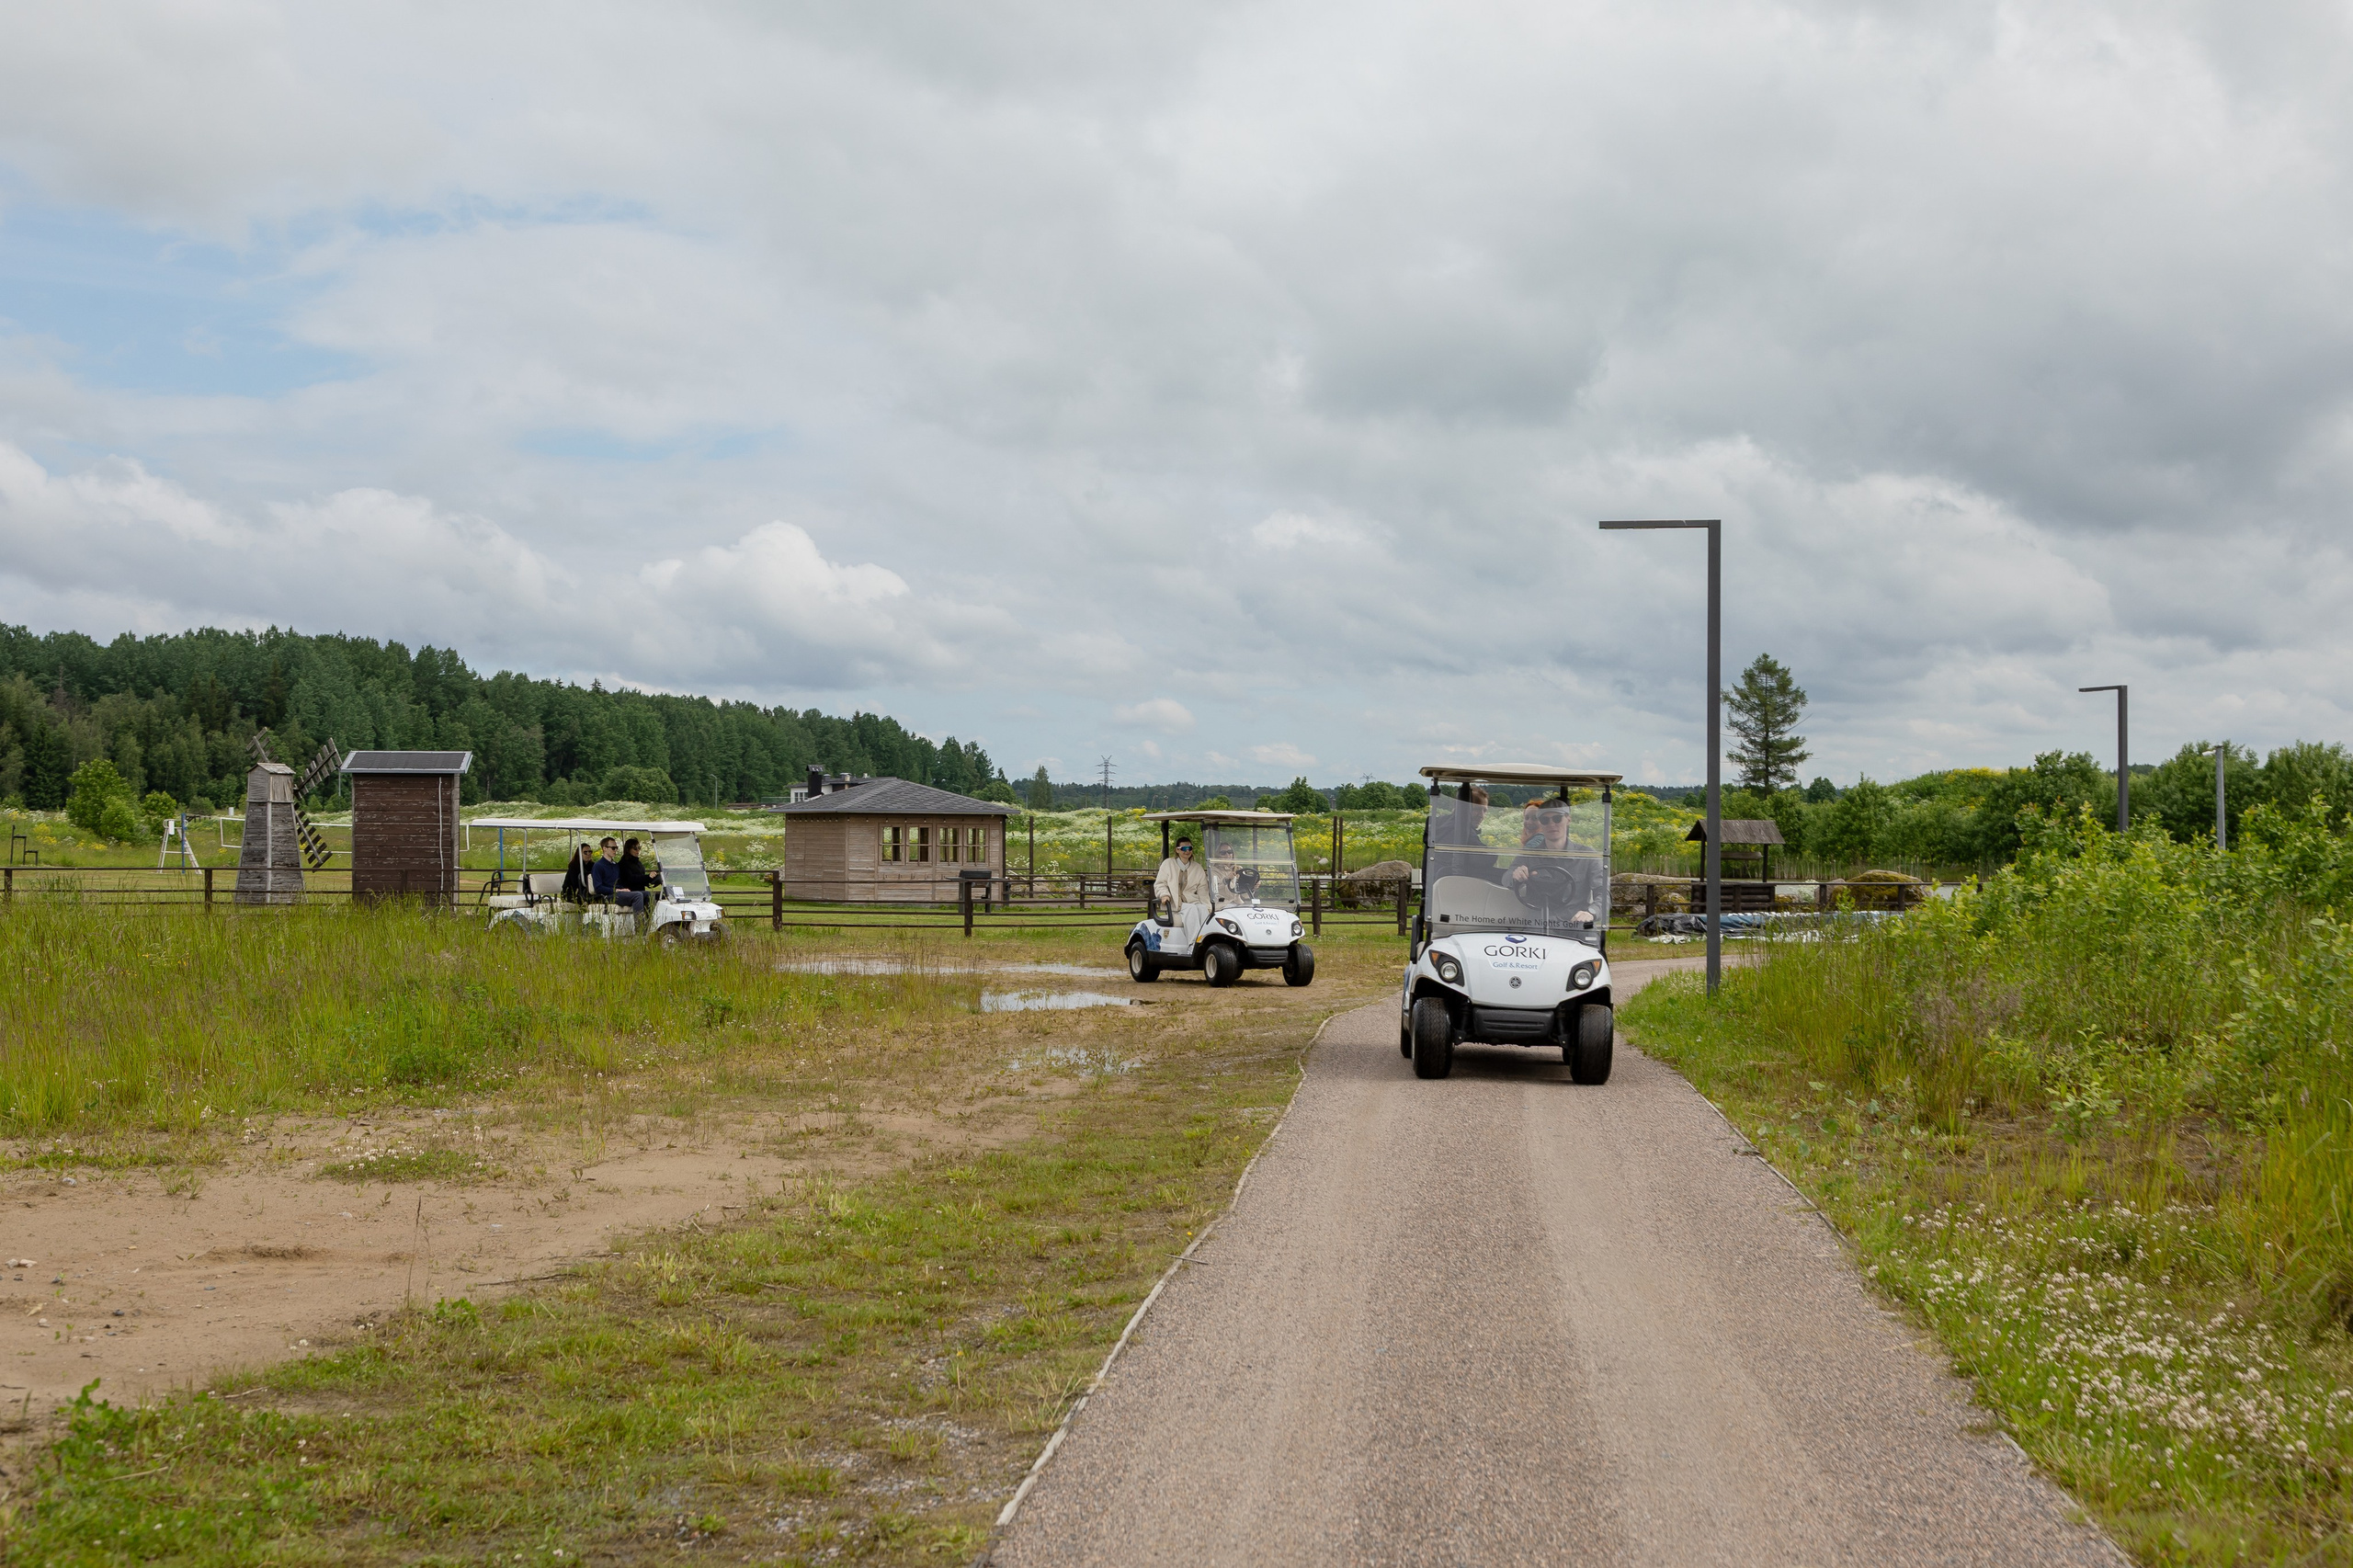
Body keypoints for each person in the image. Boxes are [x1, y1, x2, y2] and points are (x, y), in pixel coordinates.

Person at [1504, 801, 1596, 925]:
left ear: (1568, 820)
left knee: (1589, 933)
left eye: (1557, 819)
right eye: (1545, 820)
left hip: (1575, 924)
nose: (1551, 824)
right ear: (1540, 823)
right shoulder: (1529, 854)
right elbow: (1506, 878)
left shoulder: (1587, 855)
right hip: (1538, 923)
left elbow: (1603, 892)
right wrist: (1515, 875)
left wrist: (1591, 912)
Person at [1153, 835, 1212, 948]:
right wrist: (1164, 895)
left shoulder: (1197, 868)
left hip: (1191, 901)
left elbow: (1203, 890)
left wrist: (1208, 907)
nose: (1187, 851)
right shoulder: (1168, 864)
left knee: (1202, 909)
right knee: (1192, 909)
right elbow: (1160, 883)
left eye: (1190, 848)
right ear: (1177, 850)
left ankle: (1206, 943)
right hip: (1174, 903)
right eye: (1184, 848)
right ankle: (1193, 945)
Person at [614, 836, 660, 913]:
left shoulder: (638, 863)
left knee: (661, 896)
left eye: (639, 848)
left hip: (640, 891)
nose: (638, 850)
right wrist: (647, 877)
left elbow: (642, 879)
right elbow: (631, 879)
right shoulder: (623, 864)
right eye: (635, 848)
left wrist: (653, 878)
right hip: (630, 891)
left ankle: (657, 917)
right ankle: (647, 918)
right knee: (648, 895)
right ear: (628, 849)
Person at [589, 836, 621, 903]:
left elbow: (619, 882)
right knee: (637, 895)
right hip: (607, 896)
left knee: (643, 894)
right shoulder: (598, 866)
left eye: (616, 848)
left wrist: (624, 889)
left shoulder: (615, 865)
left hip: (618, 893)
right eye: (613, 848)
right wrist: (615, 890)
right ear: (605, 848)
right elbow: (598, 888)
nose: (615, 850)